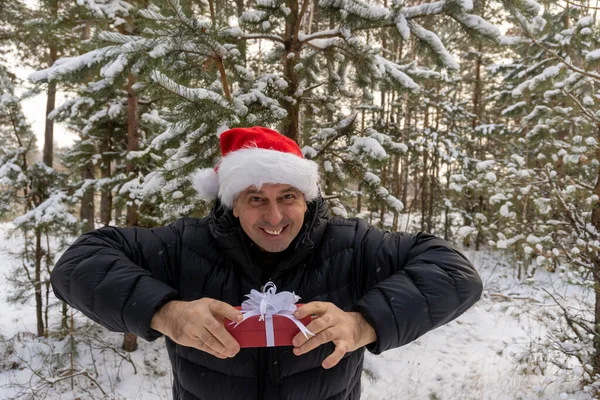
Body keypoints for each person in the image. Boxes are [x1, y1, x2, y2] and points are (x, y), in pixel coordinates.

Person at [51, 126, 483, 400]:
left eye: (287, 198)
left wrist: (362, 323)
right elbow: (79, 264)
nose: (274, 217)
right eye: (256, 199)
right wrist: (167, 313)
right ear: (233, 204)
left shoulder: (351, 244)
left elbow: (454, 273)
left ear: (306, 197)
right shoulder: (185, 244)